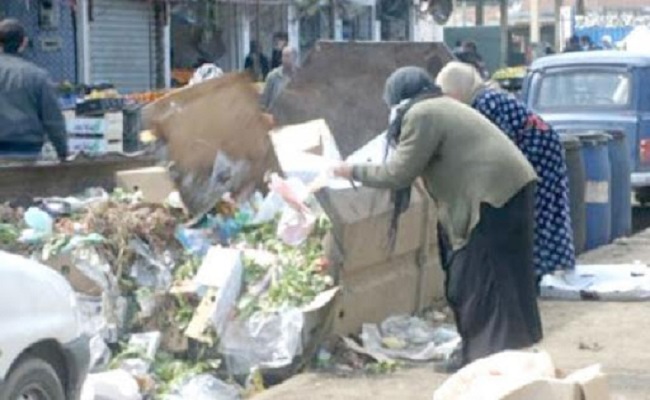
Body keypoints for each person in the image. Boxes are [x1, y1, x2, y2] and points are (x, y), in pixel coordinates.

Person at [332, 67, 543, 372]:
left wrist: (350, 170)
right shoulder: (440, 106)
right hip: (507, 190)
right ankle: (495, 351)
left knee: (477, 277)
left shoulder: (422, 114)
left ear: (398, 99)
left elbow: (398, 172)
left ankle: (483, 357)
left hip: (491, 196)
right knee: (500, 275)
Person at [436, 61, 575, 286]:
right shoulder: (486, 97)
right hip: (543, 152)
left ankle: (533, 273)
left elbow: (495, 147)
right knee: (544, 214)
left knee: (536, 216)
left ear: (458, 89)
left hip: (536, 157)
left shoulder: (485, 103)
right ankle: (537, 272)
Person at [0, 19, 67, 161]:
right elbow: (53, 119)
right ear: (23, 43)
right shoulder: (37, 76)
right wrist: (63, 153)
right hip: (27, 153)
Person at [260, 46, 297, 111]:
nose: (284, 59)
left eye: (287, 56)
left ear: (294, 58)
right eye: (283, 56)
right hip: (275, 116)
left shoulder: (300, 76)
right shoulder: (273, 76)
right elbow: (264, 100)